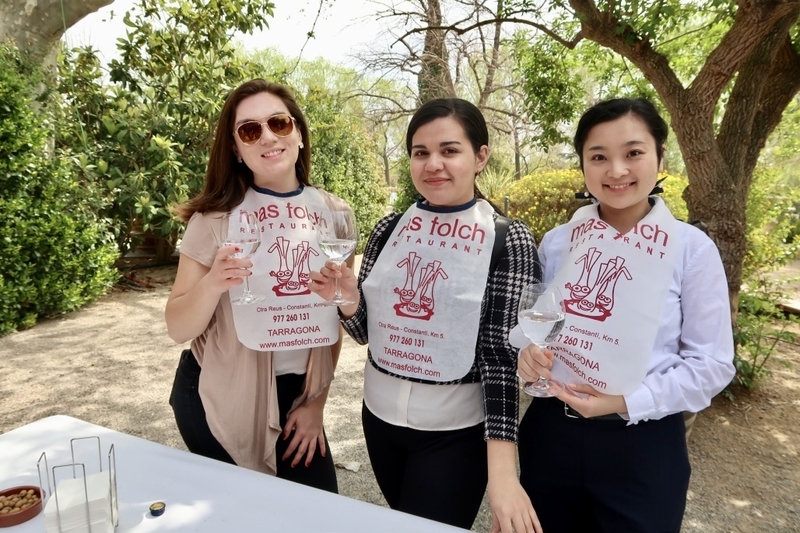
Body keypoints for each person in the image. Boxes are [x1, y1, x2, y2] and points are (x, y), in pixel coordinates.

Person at [309, 98, 543, 532]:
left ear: (480, 156)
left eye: (450, 150)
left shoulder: (507, 240)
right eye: (421, 152)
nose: (433, 164)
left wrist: (504, 474)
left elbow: (500, 361)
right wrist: (347, 300)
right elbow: (367, 334)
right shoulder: (388, 229)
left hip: (454, 435)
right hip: (379, 420)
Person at [515, 97, 736, 532]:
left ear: (659, 157)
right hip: (552, 436)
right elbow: (536, 330)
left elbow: (712, 364)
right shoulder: (560, 242)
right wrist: (528, 357)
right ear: (583, 165)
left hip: (643, 447)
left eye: (633, 153)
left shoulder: (690, 249)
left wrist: (623, 402)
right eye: (599, 157)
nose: (616, 171)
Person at [164, 78, 344, 493]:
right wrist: (212, 284)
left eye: (278, 123)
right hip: (218, 395)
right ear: (235, 147)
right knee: (244, 515)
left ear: (298, 132)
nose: (267, 137)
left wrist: (316, 402)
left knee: (319, 514)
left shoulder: (334, 214)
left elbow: (330, 318)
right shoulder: (214, 220)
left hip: (299, 397)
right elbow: (178, 328)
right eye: (250, 130)